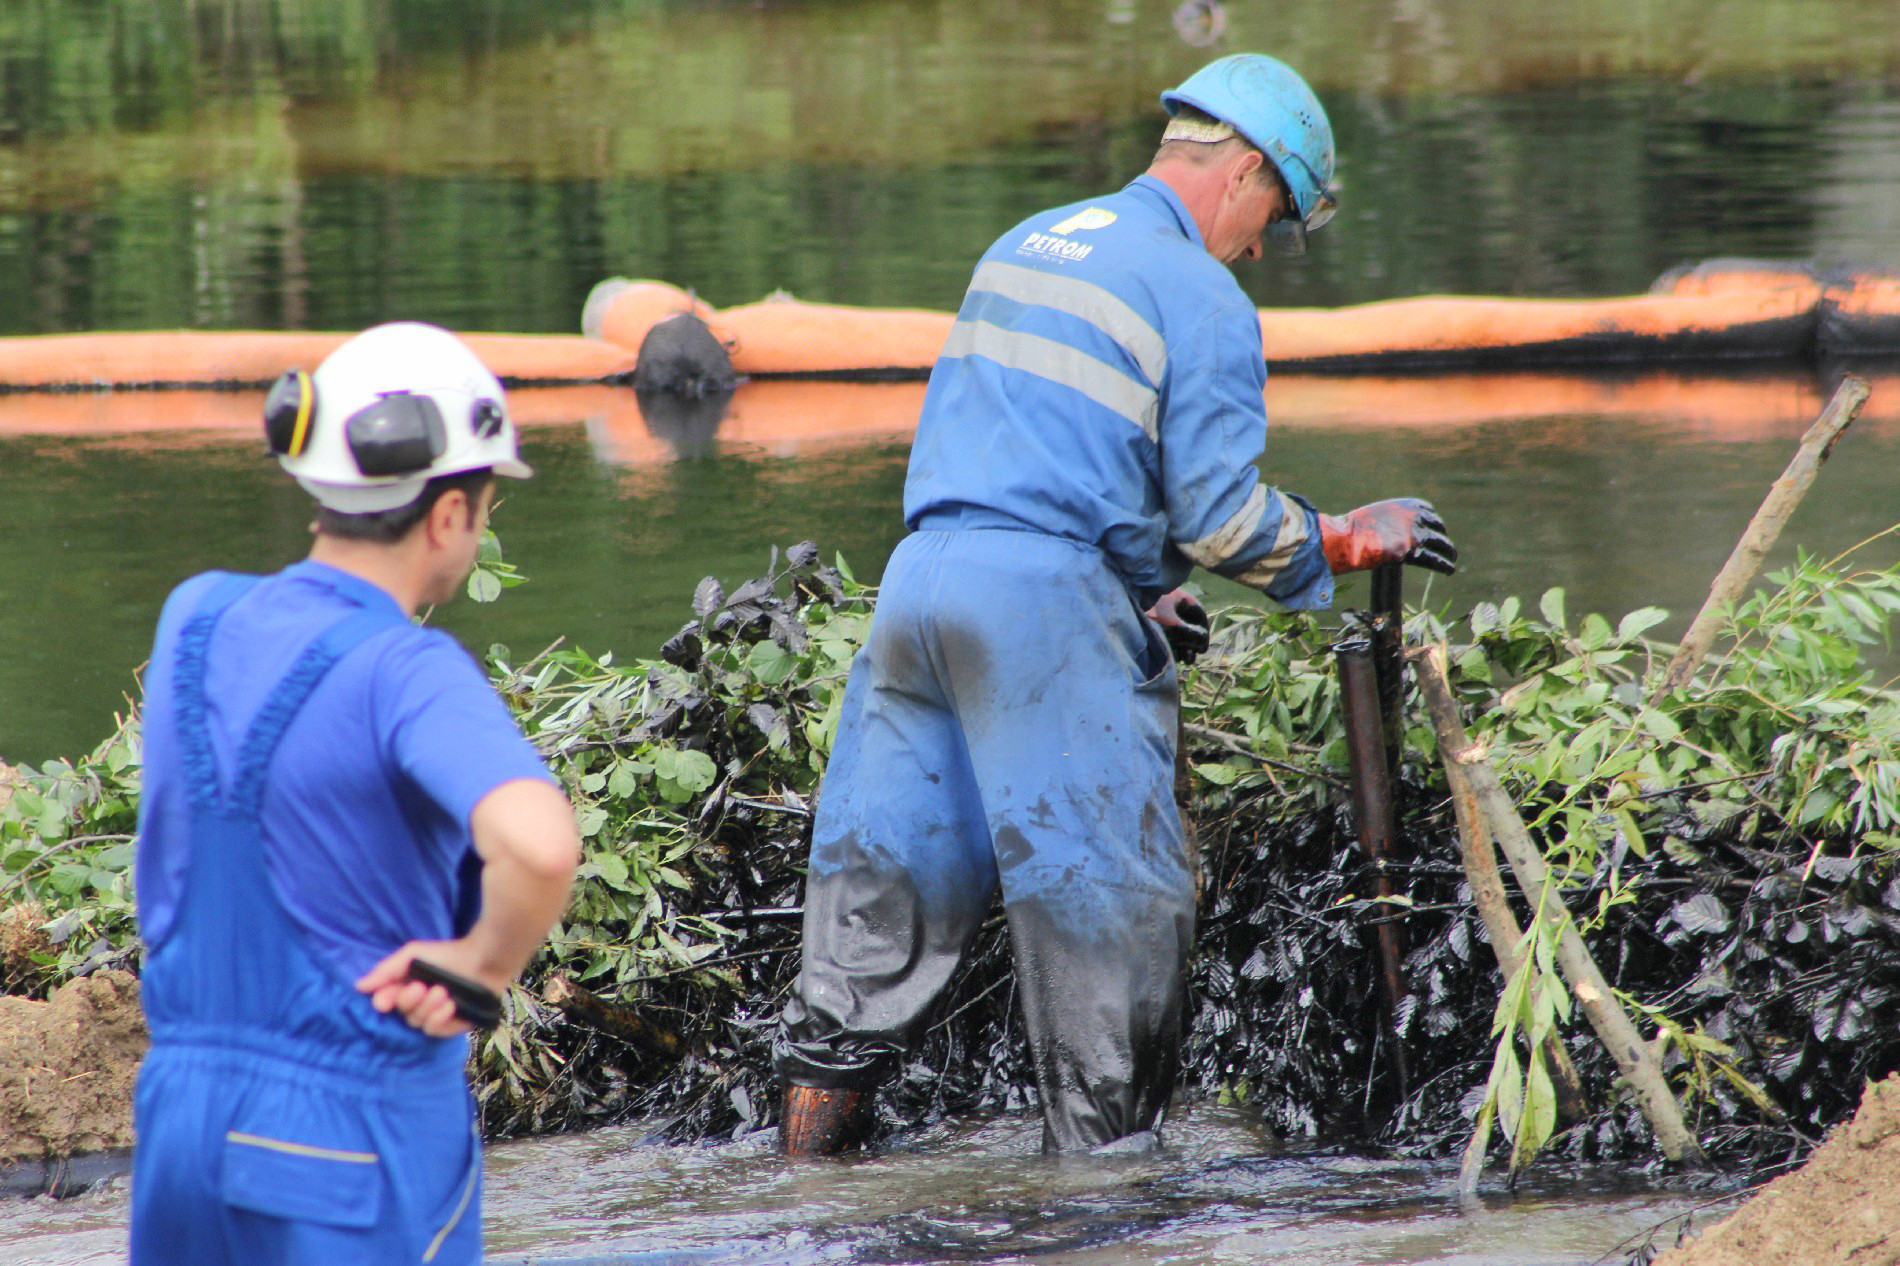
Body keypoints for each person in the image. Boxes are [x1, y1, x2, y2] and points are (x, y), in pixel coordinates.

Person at [772, 53, 1456, 1155]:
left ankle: (800, 1190)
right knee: (1109, 924)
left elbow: (1041, 452)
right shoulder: (1200, 293)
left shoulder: (1029, 242)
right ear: (1241, 172)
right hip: (1036, 609)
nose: (1258, 247)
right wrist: (1339, 534)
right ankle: (1104, 1209)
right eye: (1272, 217)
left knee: (876, 903)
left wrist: (1140, 593)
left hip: (918, 591)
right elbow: (1221, 519)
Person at [130, 322, 581, 1263]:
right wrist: (483, 965)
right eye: (486, 504)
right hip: (347, 1133)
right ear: (450, 514)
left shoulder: (192, 617)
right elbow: (540, 845)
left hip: (180, 1127)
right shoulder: (408, 669)